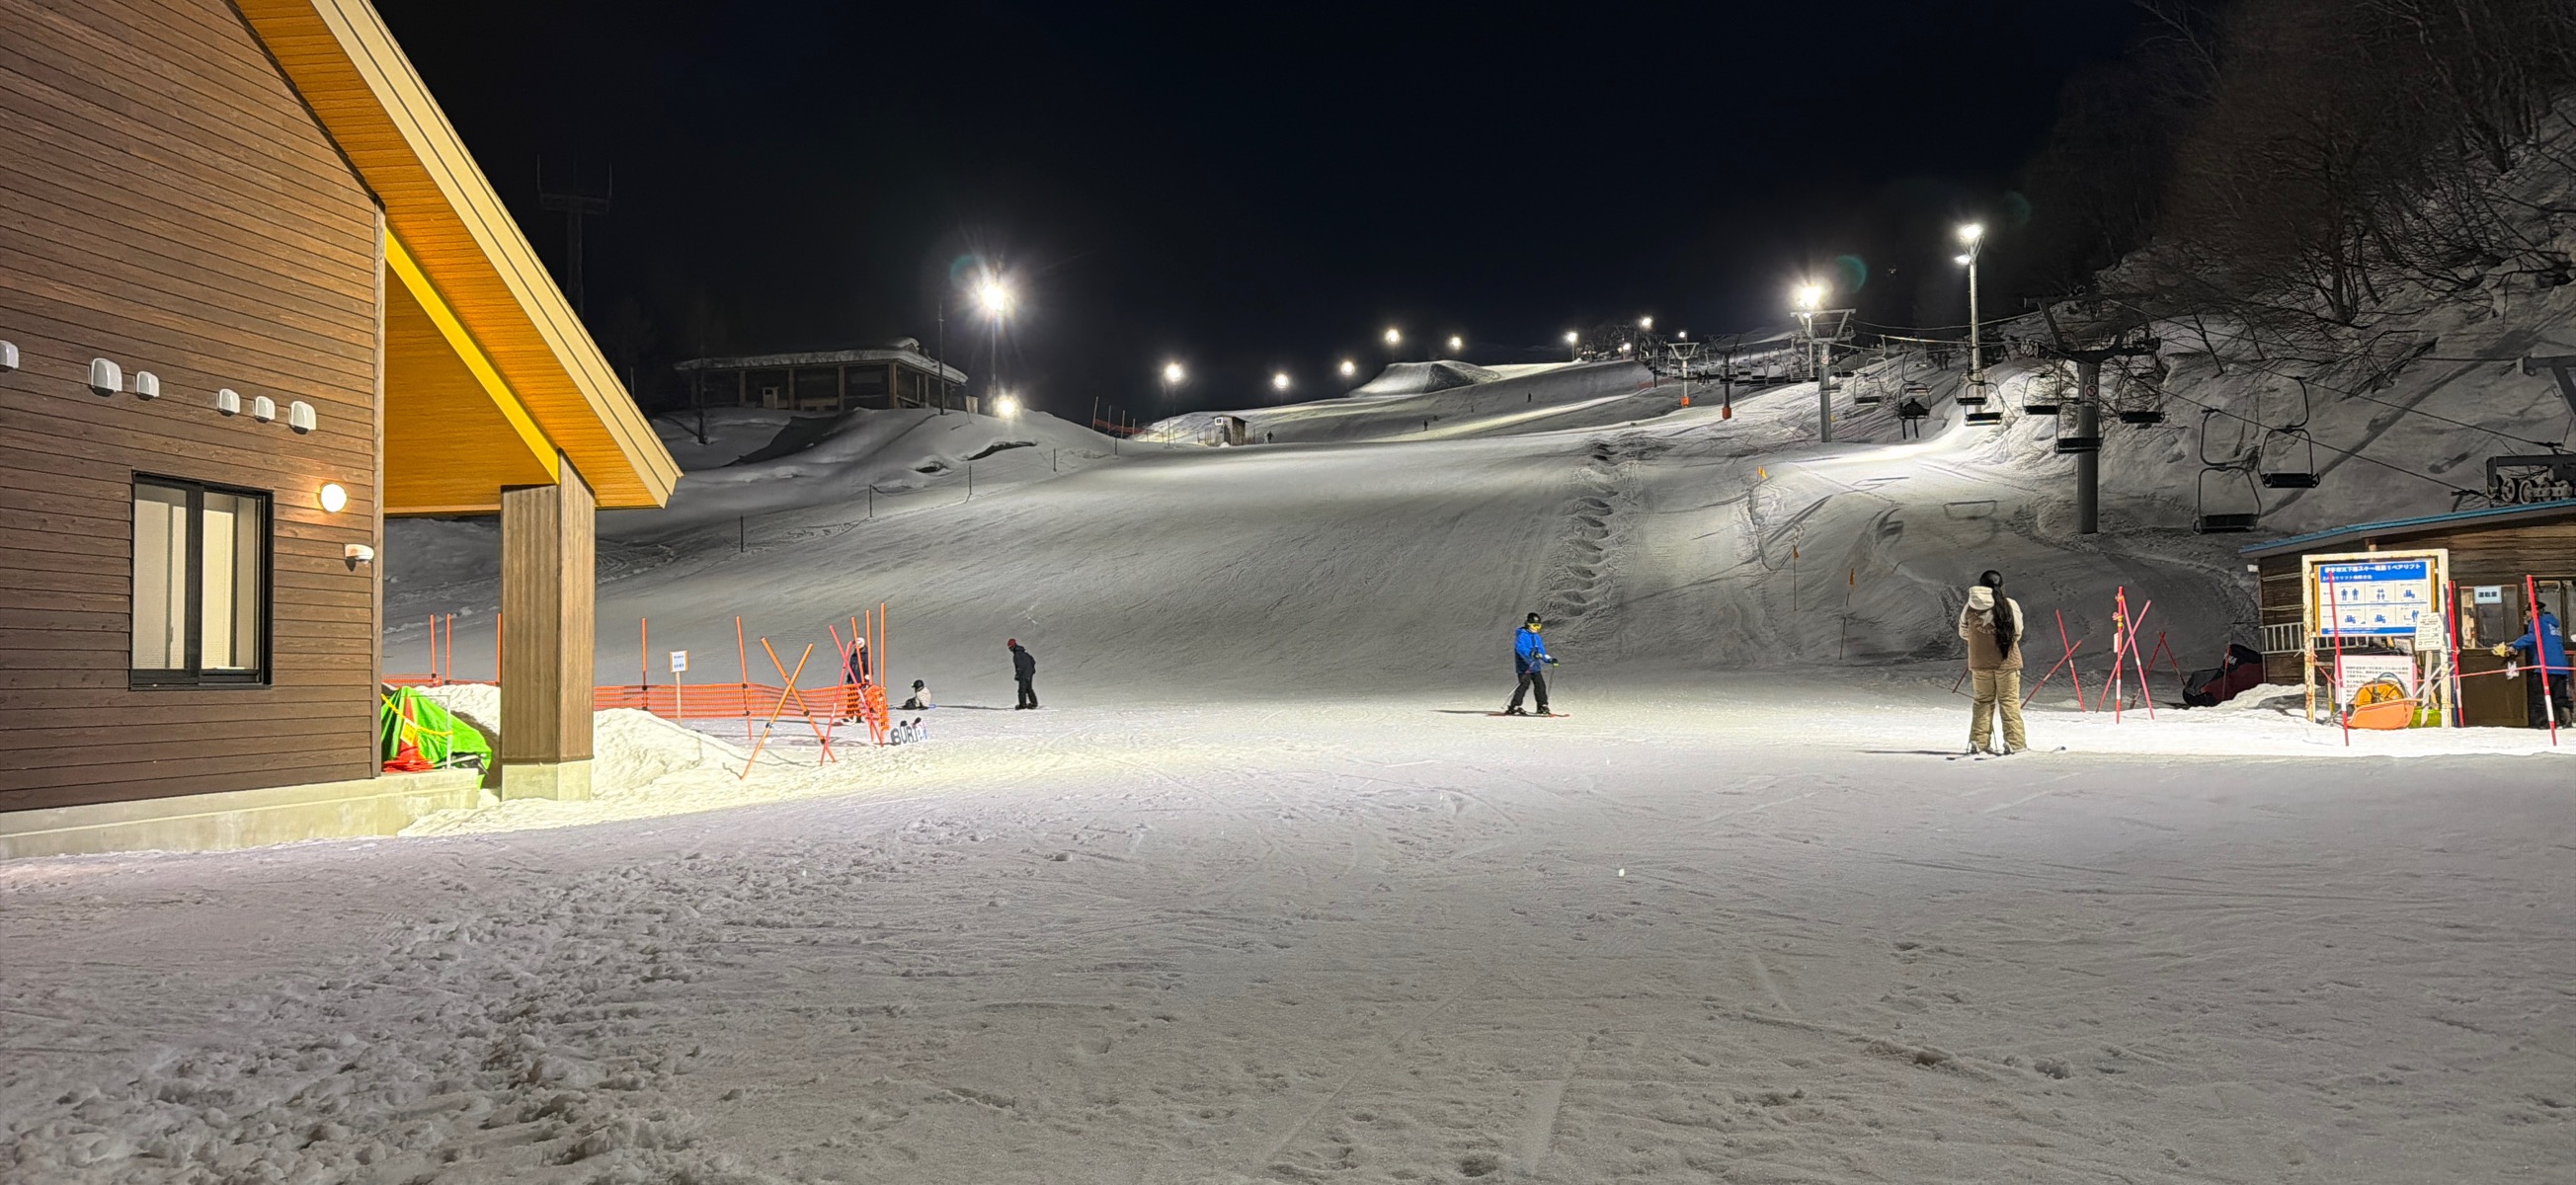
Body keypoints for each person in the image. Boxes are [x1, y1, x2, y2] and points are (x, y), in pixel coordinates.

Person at [1958, 570, 2027, 754]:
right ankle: (2015, 743)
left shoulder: (1970, 606)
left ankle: (1978, 742)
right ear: (2001, 585)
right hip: (2007, 661)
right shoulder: (2009, 604)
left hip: (1979, 662)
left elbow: (1964, 632)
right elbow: (2017, 632)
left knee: (1982, 701)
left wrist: (1982, 642)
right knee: (2009, 701)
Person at [2492, 604, 2570, 729]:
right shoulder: (2552, 623)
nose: (2526, 616)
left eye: (2527, 612)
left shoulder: (2537, 622)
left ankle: (2543, 723)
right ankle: (2566, 721)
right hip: (2561, 666)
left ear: (2533, 611)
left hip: (2545, 665)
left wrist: (2515, 646)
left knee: (2541, 696)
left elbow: (2533, 637)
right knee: (2559, 696)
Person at [1503, 612, 1558, 716]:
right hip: (1524, 666)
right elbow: (1521, 649)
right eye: (1534, 626)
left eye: (1538, 626)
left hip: (1535, 667)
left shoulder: (1537, 637)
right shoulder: (1522, 635)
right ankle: (1514, 706)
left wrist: (1549, 659)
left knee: (1540, 685)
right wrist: (1531, 654)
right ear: (1528, 624)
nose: (1536, 628)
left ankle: (1542, 706)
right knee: (1524, 684)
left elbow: (1541, 652)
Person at [1008, 639, 1039, 710]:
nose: (1009, 648)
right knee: (1029, 688)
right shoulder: (1025, 653)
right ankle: (1034, 703)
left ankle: (1022, 705)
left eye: (1010, 647)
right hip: (1029, 673)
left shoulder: (1017, 655)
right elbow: (1033, 661)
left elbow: (1019, 666)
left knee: (1022, 690)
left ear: (1013, 646)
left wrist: (1018, 675)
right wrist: (1032, 670)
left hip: (1023, 674)